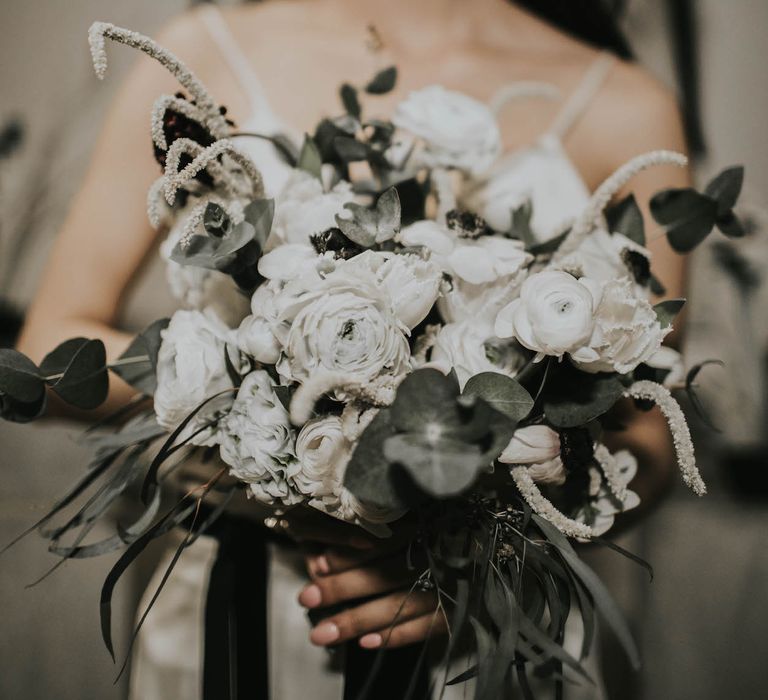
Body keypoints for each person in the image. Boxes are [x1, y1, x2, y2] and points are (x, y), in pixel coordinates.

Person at [16, 0, 689, 697]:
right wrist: (246, 384)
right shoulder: (208, 49)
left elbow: (650, 429)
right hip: (243, 602)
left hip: (489, 630)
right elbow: (50, 347)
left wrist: (480, 545)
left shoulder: (627, 106)